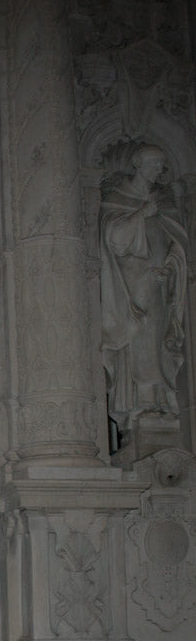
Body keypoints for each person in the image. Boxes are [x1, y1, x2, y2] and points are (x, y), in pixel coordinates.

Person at [100, 143, 188, 436]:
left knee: (159, 341)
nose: (159, 170)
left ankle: (162, 399)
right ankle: (141, 401)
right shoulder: (118, 197)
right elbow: (114, 239)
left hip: (159, 285)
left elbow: (178, 242)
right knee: (139, 340)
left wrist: (172, 264)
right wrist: (141, 214)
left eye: (162, 165)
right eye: (153, 163)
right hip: (131, 286)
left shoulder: (163, 200)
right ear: (138, 164)